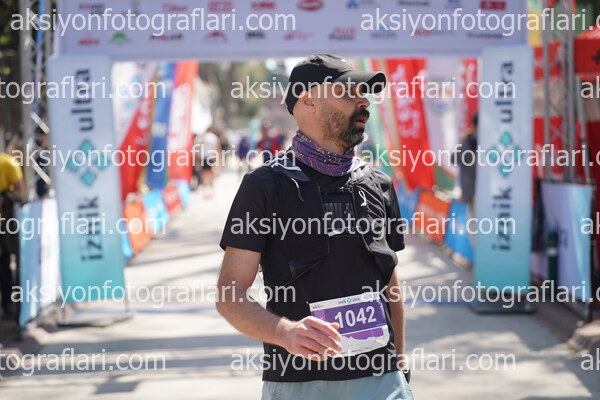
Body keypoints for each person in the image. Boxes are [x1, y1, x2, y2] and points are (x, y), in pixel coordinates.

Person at [217, 54, 413, 400]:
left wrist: (399, 363)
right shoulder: (264, 186)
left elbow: (390, 284)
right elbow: (230, 294)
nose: (363, 102)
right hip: (300, 383)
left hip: (382, 381)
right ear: (309, 101)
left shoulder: (378, 183)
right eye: (348, 92)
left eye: (364, 93)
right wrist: (284, 332)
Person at [0, 149, 25, 320]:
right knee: (7, 261)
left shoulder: (8, 162)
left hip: (5, 223)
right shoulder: (8, 162)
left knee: (6, 261)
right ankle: (9, 306)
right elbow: (21, 192)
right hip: (6, 224)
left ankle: (10, 305)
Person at [451, 113, 478, 208]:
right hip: (469, 195)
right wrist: (465, 142)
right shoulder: (468, 142)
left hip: (485, 194)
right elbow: (453, 159)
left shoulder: (489, 142)